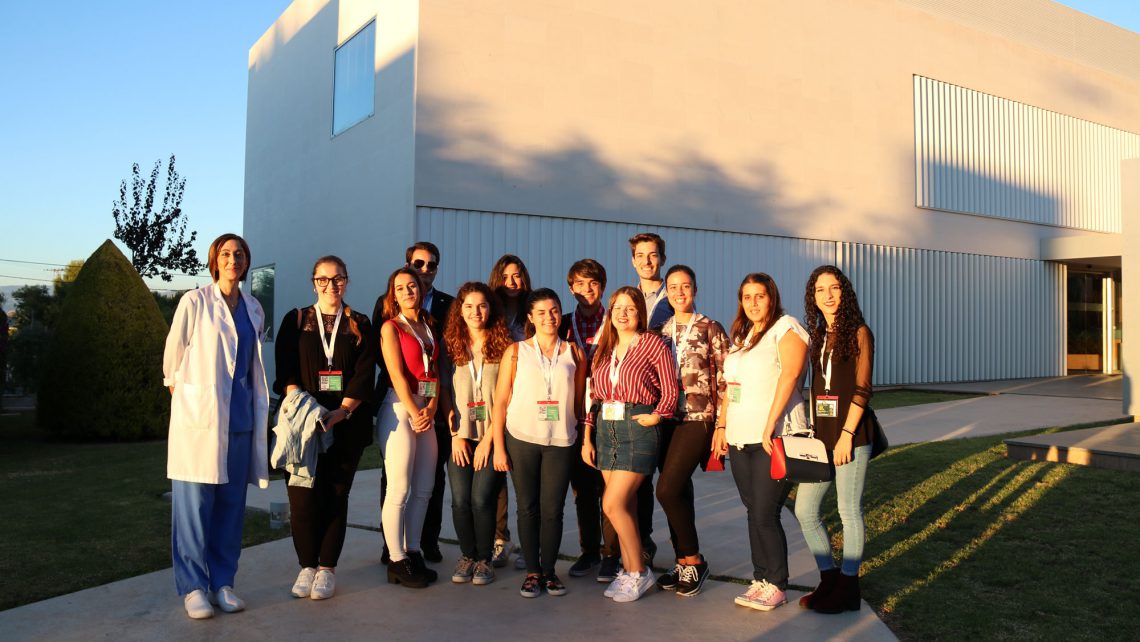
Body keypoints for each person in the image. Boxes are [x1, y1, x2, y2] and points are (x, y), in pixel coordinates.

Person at [164, 233, 270, 619]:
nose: (232, 259)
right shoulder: (195, 301)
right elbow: (172, 359)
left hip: (241, 420)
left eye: (239, 254)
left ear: (246, 262)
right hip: (201, 419)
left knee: (231, 507)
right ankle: (193, 587)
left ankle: (223, 583)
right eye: (225, 254)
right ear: (215, 261)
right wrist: (188, 395)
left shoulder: (254, 307)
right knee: (193, 506)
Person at [275, 255, 376, 601]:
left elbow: (364, 375)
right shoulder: (297, 319)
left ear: (347, 281)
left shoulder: (359, 322)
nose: (331, 286)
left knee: (335, 495)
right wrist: (307, 409)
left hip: (345, 423)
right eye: (323, 279)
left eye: (338, 279)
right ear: (313, 282)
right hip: (304, 422)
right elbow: (285, 369)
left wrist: (341, 412)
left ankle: (327, 568)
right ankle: (306, 566)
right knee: (301, 497)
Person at [712, 273, 808, 611]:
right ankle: (761, 578)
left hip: (773, 437)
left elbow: (791, 374)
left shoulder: (787, 327)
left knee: (767, 512)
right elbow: (731, 385)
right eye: (747, 296)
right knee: (754, 511)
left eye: (760, 296)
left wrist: (770, 426)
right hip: (740, 437)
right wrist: (721, 426)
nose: (753, 303)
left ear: (772, 297)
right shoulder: (743, 336)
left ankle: (777, 583)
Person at [582, 286, 677, 603]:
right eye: (616, 307)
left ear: (640, 312)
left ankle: (638, 572)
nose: (622, 313)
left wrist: (659, 415)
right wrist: (587, 436)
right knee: (626, 507)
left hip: (637, 427)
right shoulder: (605, 347)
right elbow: (593, 397)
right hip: (605, 430)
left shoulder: (652, 343)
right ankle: (628, 569)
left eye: (630, 308)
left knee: (611, 504)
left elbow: (670, 388)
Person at [492, 289, 587, 599]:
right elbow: (501, 400)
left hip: (561, 440)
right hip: (521, 438)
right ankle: (532, 572)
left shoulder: (574, 352)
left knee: (553, 510)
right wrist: (498, 446)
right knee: (528, 507)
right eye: (542, 312)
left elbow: (580, 402)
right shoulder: (516, 351)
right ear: (530, 318)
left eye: (555, 310)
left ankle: (549, 572)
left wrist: (583, 438)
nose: (550, 317)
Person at [794, 265, 876, 614]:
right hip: (822, 437)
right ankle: (828, 580)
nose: (828, 295)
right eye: (820, 290)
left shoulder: (859, 332)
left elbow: (862, 389)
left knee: (847, 510)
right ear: (813, 298)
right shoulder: (817, 335)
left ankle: (848, 587)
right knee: (804, 509)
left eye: (834, 288)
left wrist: (845, 436)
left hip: (852, 436)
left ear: (845, 292)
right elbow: (818, 389)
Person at [373, 242, 454, 565]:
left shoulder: (431, 324)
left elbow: (435, 369)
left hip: (426, 410)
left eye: (413, 287)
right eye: (401, 287)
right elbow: (393, 371)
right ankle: (394, 555)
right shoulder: (390, 325)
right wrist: (414, 409)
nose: (409, 290)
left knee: (424, 488)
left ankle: (414, 549)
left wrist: (432, 407)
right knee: (399, 487)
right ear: (393, 295)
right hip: (400, 407)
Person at [655, 265, 730, 597]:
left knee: (667, 489)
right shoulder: (660, 331)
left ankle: (695, 560)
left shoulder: (710, 328)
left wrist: (722, 424)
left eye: (685, 286)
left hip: (699, 418)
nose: (679, 292)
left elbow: (728, 380)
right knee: (679, 491)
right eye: (672, 287)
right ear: (667, 293)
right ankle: (682, 561)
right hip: (667, 418)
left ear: (695, 290)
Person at [443, 282, 512, 586]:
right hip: (461, 434)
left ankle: (484, 559)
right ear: (460, 309)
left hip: (492, 435)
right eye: (468, 306)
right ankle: (468, 555)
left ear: (491, 308)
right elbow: (444, 389)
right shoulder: (451, 344)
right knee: (460, 500)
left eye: (482, 305)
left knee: (482, 499)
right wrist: (456, 434)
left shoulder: (505, 346)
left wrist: (489, 441)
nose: (475, 312)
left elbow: (508, 396)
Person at [558, 259, 612, 580]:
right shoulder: (562, 324)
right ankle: (589, 550)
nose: (587, 289)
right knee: (582, 488)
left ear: (602, 286)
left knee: (611, 488)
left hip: (609, 413)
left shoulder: (616, 321)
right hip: (574, 412)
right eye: (580, 284)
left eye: (592, 283)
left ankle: (612, 553)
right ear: (571, 288)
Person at [487, 253, 533, 568]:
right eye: (506, 276)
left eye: (517, 276)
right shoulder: (491, 313)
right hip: (497, 398)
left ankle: (530, 542)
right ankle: (500, 539)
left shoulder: (533, 312)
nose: (512, 283)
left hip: (528, 401)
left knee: (526, 476)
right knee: (498, 473)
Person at [629, 232, 673, 332]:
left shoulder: (675, 298)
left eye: (653, 255)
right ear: (633, 261)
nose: (646, 262)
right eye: (640, 255)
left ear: (663, 260)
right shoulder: (628, 299)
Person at [488, 254, 533, 341]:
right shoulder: (489, 310)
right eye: (504, 277)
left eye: (516, 276)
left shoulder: (533, 308)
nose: (511, 282)